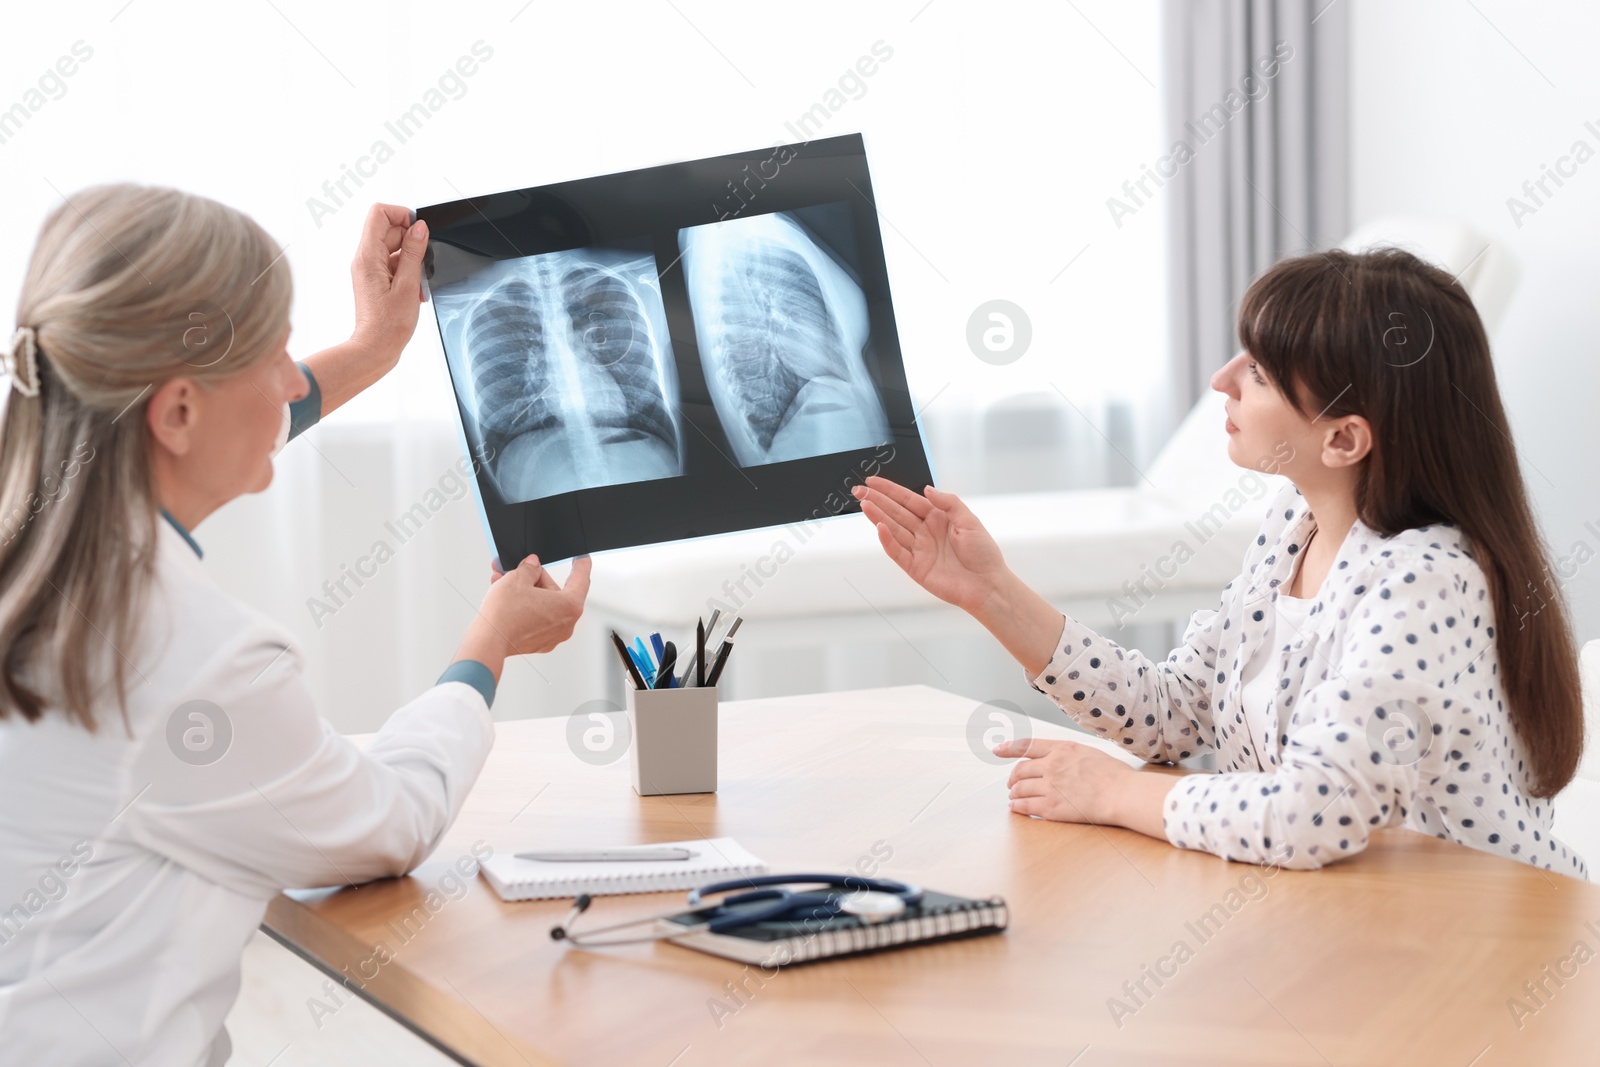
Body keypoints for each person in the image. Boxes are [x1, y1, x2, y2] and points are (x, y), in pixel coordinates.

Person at [0, 185, 591, 1065]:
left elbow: (240, 416)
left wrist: (374, 346)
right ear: (178, 413)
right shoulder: (187, 658)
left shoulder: (35, 534)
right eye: (274, 354)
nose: (291, 381)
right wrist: (489, 643)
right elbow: (392, 822)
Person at [855, 247, 1587, 878]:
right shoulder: (1291, 528)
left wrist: (1115, 793)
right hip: (1349, 928)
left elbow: (1317, 811)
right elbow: (1174, 713)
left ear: (1344, 439)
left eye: (1261, 373)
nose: (1222, 380)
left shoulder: (1428, 581)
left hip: (1478, 953)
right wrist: (991, 591)